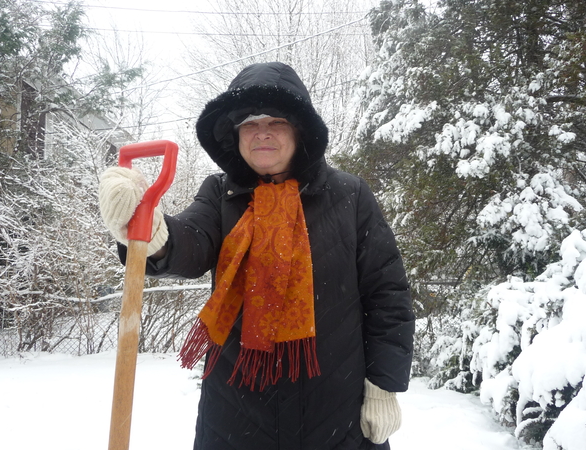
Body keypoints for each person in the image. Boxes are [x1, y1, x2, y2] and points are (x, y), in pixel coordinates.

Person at [98, 62, 415, 450]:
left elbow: (387, 295)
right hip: (237, 415)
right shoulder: (220, 193)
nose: (261, 132)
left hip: (335, 415)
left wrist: (383, 385)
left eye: (276, 121)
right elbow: (193, 242)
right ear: (235, 136)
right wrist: (152, 233)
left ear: (299, 130)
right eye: (249, 122)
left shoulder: (349, 196)